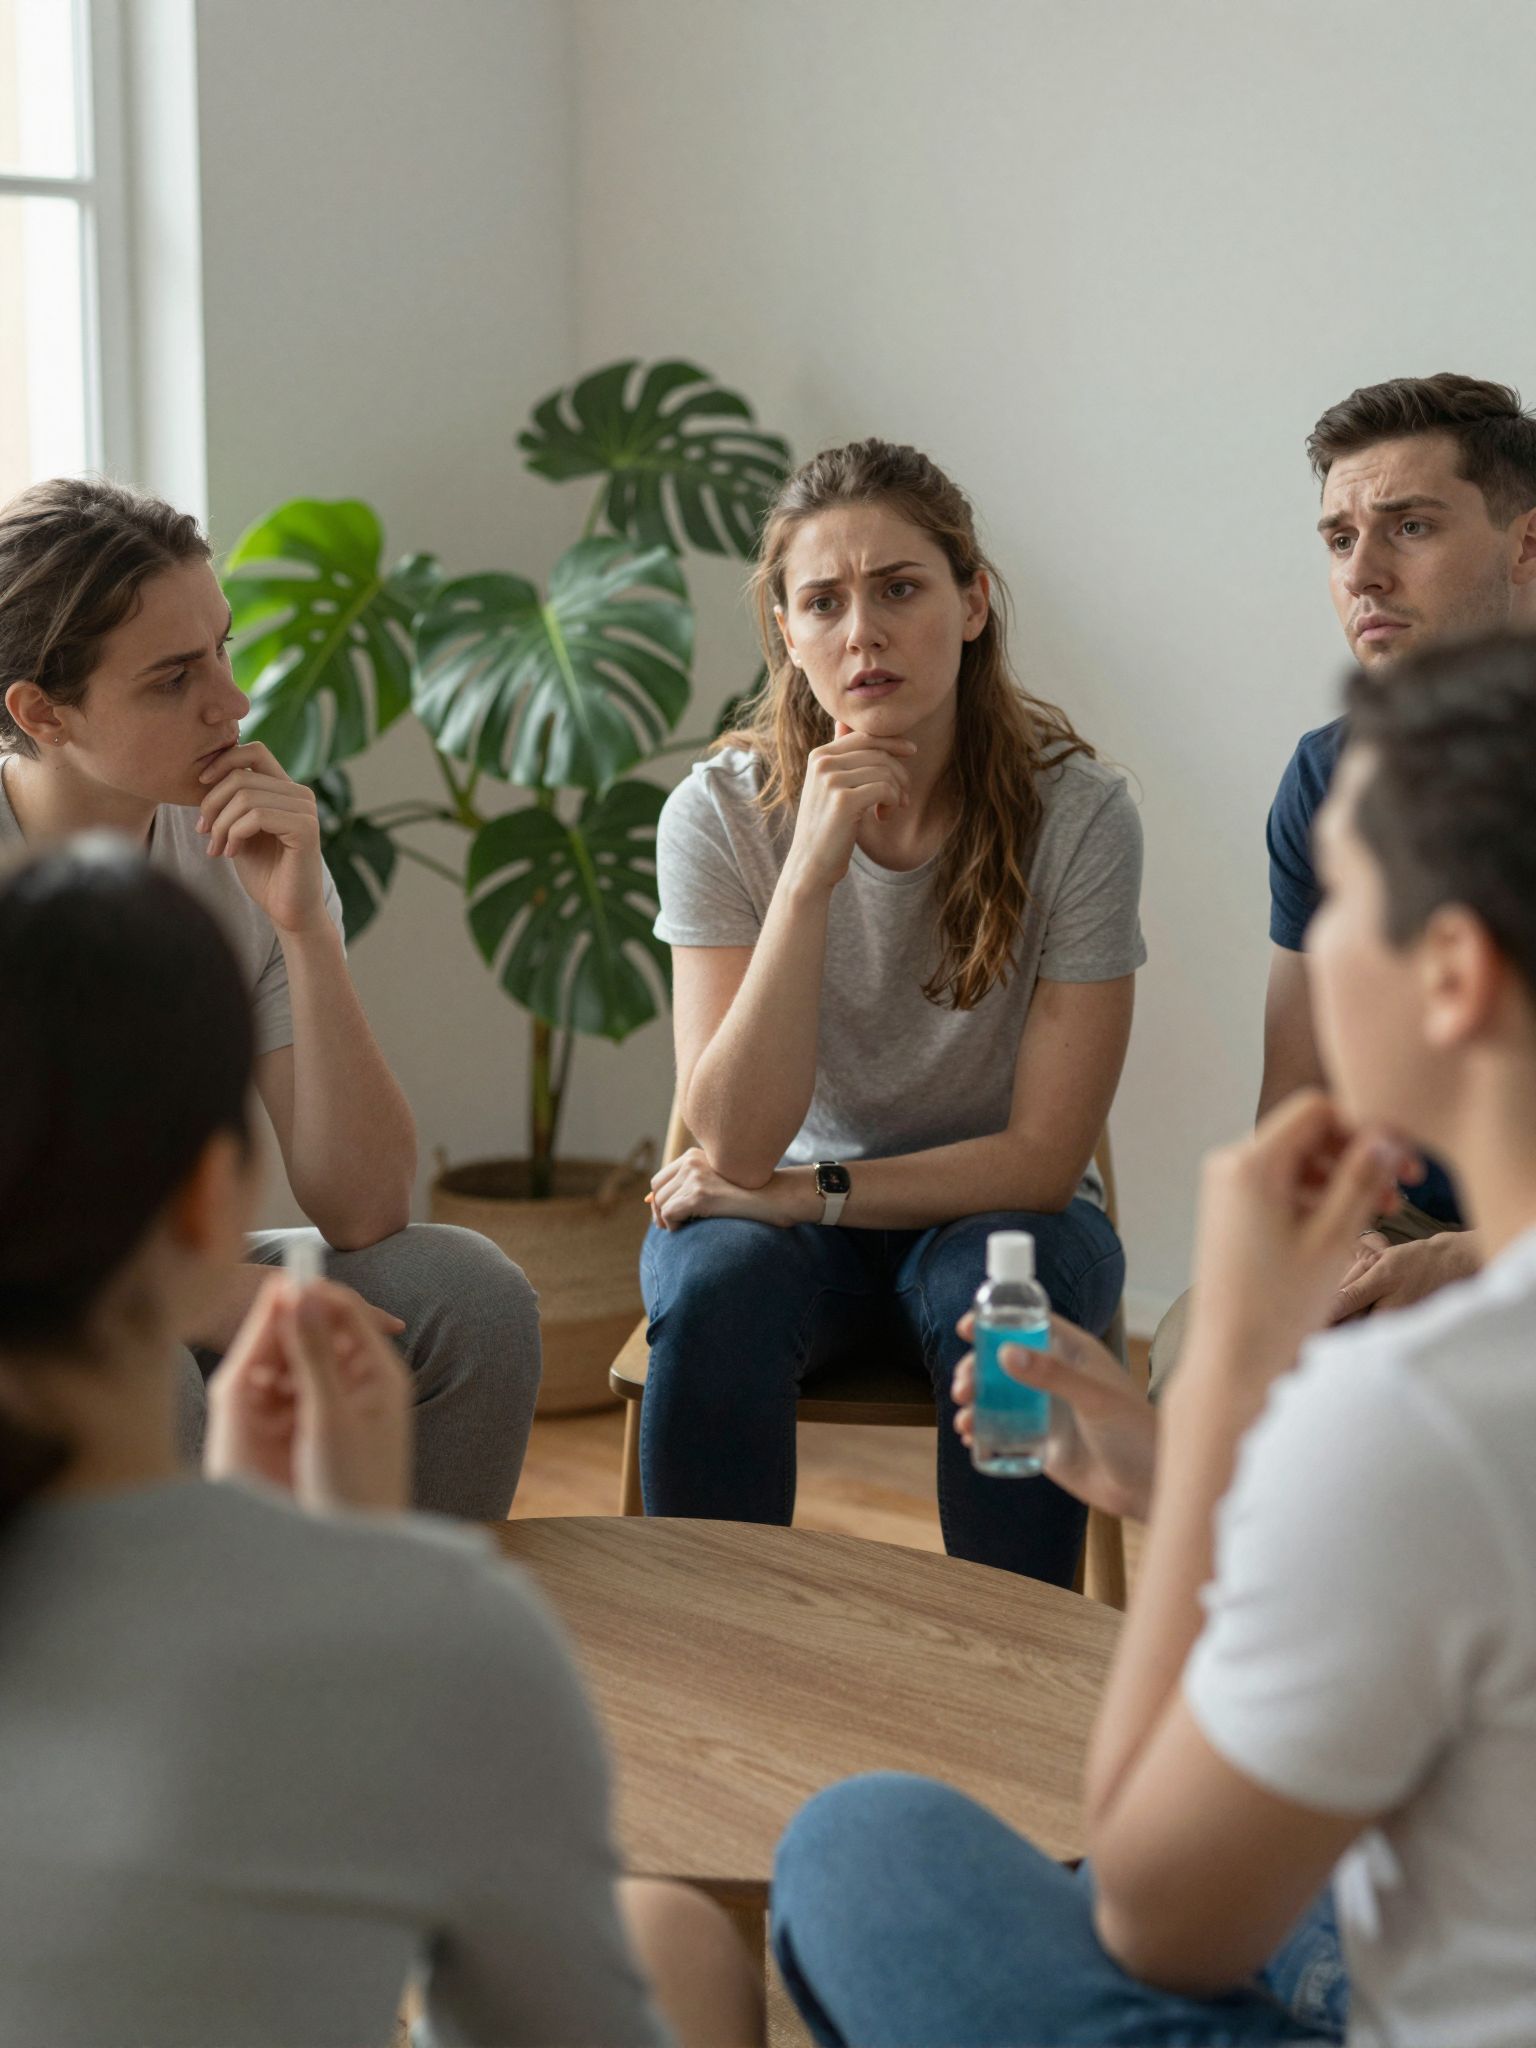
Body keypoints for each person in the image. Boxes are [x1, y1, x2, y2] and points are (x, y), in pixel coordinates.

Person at [771, 632, 1536, 2047]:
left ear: (1452, 974)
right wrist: (1199, 1475)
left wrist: (1235, 1380)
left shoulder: (1423, 1410)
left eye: (1345, 903)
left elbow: (1154, 1918)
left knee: (863, 1846)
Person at [0, 838, 762, 2048]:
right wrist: (365, 1581)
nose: (230, 698)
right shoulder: (448, 1633)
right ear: (213, 1202)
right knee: (678, 1945)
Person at [642, 439, 1144, 1587]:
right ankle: (703, 1658)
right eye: (823, 601)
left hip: (986, 1212)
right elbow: (728, 1143)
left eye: (900, 588)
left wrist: (803, 1191)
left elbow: (1041, 1158)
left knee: (1002, 1297)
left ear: (972, 603)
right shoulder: (717, 813)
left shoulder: (1082, 813)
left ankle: (1012, 1660)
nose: (861, 632)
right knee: (714, 1281)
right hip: (776, 1223)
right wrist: (812, 875)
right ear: (786, 632)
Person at [0, 476, 539, 1516]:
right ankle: (185, 1668)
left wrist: (303, 925)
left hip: (171, 1265)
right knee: (148, 1378)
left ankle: (408, 1633)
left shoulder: (240, 844)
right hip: (33, 1303)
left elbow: (365, 1205)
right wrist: (190, 1297)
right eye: (172, 679)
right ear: (40, 711)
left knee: (469, 1297)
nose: (233, 701)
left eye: (223, 648)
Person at [1151, 372, 1536, 1388]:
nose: (1362, 572)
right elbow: (1300, 1104)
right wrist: (1325, 1246)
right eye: (1337, 540)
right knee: (1210, 1364)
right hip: (1403, 1204)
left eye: (1409, 527)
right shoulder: (1327, 778)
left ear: (1529, 546)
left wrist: (1476, 1257)